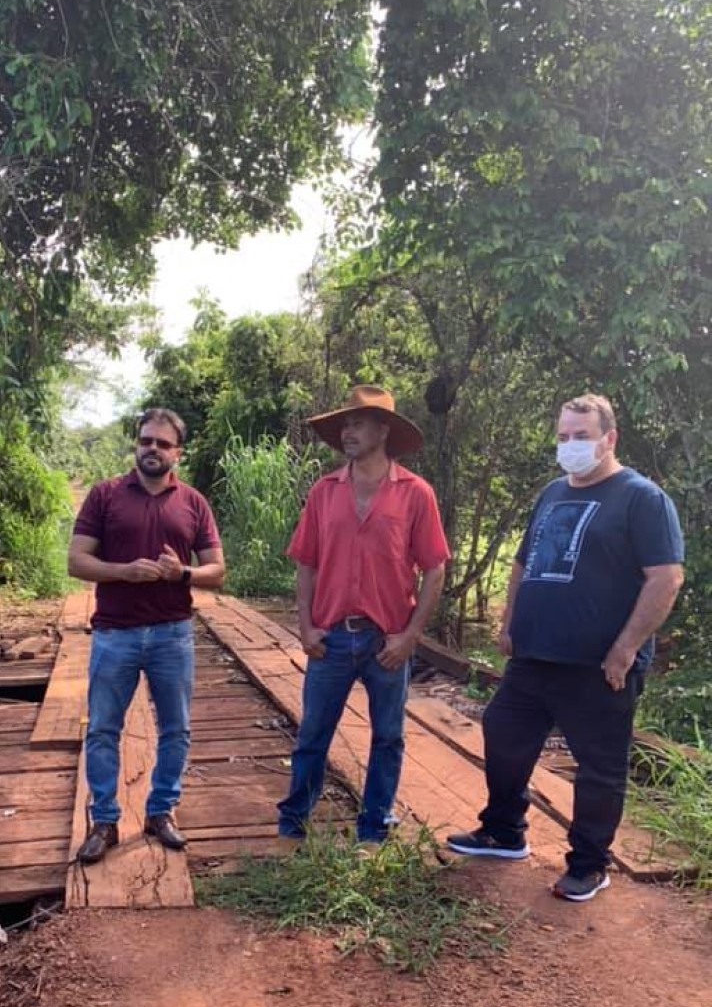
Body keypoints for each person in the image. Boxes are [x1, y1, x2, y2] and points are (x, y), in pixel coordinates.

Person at [447, 394, 685, 902]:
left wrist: (625, 649)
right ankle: (504, 831)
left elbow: (665, 578)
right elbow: (523, 563)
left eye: (581, 436)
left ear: (609, 439)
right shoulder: (553, 493)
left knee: (598, 766)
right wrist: (509, 622)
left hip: (599, 665)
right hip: (534, 655)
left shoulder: (641, 499)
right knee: (503, 733)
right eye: (563, 436)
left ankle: (589, 864)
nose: (571, 445)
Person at [277, 385, 450, 844]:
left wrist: (410, 637)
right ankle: (293, 823)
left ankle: (374, 827)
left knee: (388, 737)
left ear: (383, 430)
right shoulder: (324, 492)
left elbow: (434, 568)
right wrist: (306, 627)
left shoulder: (416, 494)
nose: (347, 433)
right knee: (313, 733)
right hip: (330, 636)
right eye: (344, 426)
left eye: (356, 423)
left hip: (386, 641)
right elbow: (306, 563)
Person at [68, 408, 225, 864]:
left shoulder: (193, 503)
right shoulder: (105, 495)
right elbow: (76, 561)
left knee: (175, 728)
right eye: (145, 441)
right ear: (136, 445)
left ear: (178, 452)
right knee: (102, 729)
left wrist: (183, 573)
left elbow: (216, 571)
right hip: (115, 633)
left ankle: (161, 811)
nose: (151, 449)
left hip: (171, 634)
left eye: (162, 443)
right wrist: (124, 573)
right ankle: (104, 821)